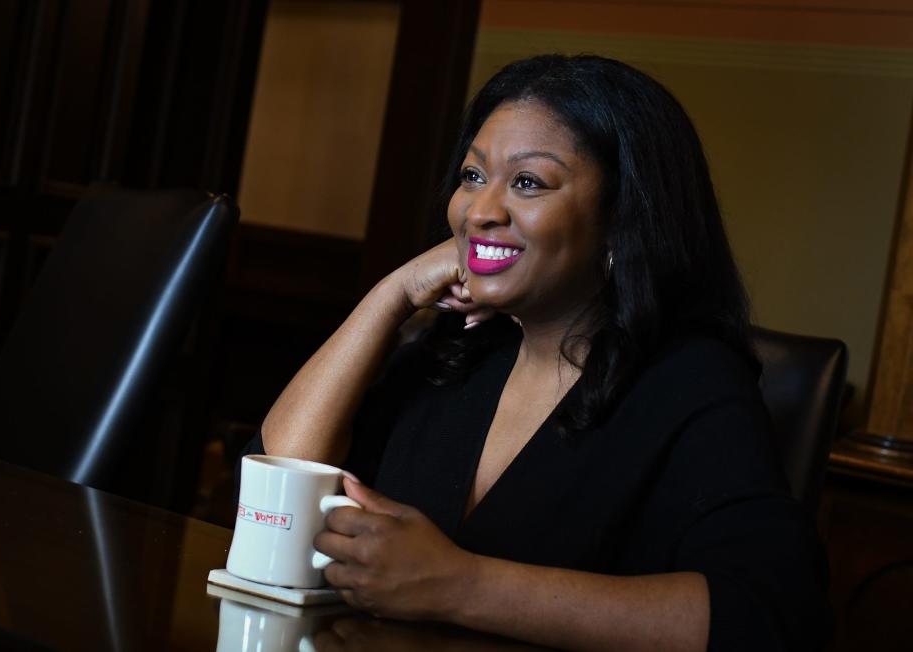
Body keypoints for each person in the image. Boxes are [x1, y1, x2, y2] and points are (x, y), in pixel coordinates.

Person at [241, 54, 829, 651]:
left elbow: (767, 615)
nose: (481, 211)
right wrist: (392, 295)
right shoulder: (456, 354)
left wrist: (462, 586)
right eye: (472, 176)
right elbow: (279, 489)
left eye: (528, 183)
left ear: (622, 218)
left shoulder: (691, 381)